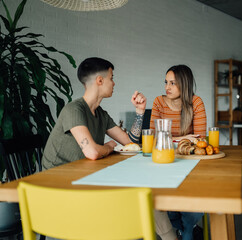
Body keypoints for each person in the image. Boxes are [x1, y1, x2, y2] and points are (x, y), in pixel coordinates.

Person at [42, 57, 177, 240]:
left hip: (86, 181)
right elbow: (92, 152)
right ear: (100, 80)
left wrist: (139, 112)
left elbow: (129, 141)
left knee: (143, 194)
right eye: (112, 77)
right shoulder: (74, 110)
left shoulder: (100, 114)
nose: (114, 83)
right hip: (60, 192)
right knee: (137, 198)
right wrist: (108, 147)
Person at [150, 64, 206, 240]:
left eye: (173, 83)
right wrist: (183, 139)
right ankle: (181, 229)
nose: (167, 87)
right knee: (165, 201)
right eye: (166, 82)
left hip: (189, 165)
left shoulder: (196, 102)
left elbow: (200, 141)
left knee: (193, 205)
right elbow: (154, 140)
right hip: (165, 164)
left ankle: (188, 230)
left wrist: (173, 141)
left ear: (184, 83)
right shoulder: (159, 102)